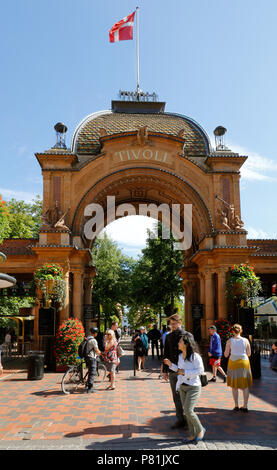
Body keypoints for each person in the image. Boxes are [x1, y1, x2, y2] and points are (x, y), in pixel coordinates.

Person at [164, 333, 206, 444]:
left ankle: (200, 429)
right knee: (187, 412)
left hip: (193, 387)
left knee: (188, 410)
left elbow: (200, 370)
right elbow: (179, 370)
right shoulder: (180, 356)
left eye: (180, 341)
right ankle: (192, 434)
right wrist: (170, 365)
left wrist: (186, 372)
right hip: (182, 387)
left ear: (186, 344)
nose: (178, 343)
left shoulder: (195, 356)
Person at [162, 313, 194, 429]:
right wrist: (165, 370)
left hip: (185, 371)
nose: (173, 326)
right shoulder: (169, 336)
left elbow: (192, 352)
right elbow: (166, 353)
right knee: (176, 396)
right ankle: (180, 419)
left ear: (180, 323)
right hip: (172, 370)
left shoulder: (187, 335)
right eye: (171, 324)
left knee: (185, 396)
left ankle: (188, 421)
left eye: (174, 324)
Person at [224, 323, 253, 412]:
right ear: (241, 331)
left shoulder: (229, 341)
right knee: (245, 386)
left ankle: (236, 405)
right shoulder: (246, 340)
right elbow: (249, 353)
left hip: (233, 362)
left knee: (234, 385)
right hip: (244, 362)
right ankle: (245, 406)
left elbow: (225, 354)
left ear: (232, 331)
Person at [85, 327, 102, 394]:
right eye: (96, 333)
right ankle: (90, 388)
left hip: (86, 357)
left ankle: (87, 383)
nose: (97, 334)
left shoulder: (87, 338)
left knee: (89, 370)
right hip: (92, 357)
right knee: (92, 372)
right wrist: (101, 354)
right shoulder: (93, 340)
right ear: (95, 333)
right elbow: (96, 350)